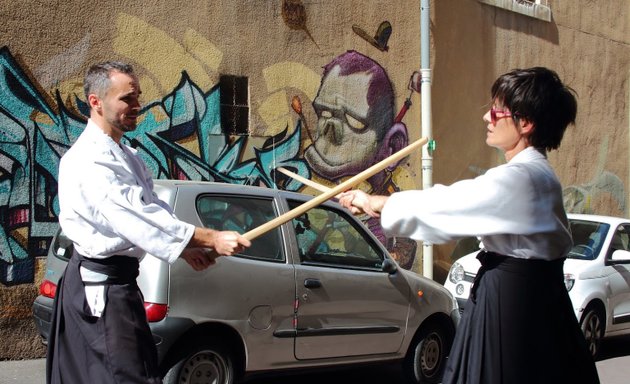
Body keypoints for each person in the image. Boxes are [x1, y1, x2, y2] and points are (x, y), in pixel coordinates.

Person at [338, 67, 599, 384]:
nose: (486, 118)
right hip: (528, 303)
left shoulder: (524, 178)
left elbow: (449, 206)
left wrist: (374, 203)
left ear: (525, 123)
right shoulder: (537, 175)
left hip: (514, 312)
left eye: (495, 111)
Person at [47, 61, 251, 384]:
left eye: (138, 96)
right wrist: (210, 238)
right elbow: (136, 217)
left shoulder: (127, 156)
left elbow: (153, 207)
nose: (137, 105)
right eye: (127, 98)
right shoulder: (88, 160)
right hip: (101, 293)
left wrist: (185, 250)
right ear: (96, 102)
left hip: (121, 287)